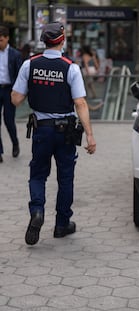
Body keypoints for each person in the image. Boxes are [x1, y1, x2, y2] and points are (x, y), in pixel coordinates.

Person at [11, 22, 97, 246]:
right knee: (65, 177)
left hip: (42, 129)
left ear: (44, 41)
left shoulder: (30, 65)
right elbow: (80, 102)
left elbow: (15, 99)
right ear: (62, 40)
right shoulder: (71, 67)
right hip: (66, 130)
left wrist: (34, 86)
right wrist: (90, 135)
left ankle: (37, 211)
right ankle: (62, 224)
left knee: (38, 174)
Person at [0, 25, 22, 163]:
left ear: (7, 38)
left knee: (9, 120)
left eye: (1, 40)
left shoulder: (15, 54)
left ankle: (15, 143)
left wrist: (19, 93)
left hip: (9, 90)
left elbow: (20, 76)